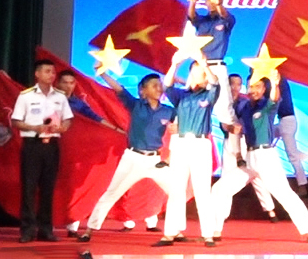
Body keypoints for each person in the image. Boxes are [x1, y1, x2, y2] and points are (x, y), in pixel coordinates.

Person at [214, 72, 308, 242]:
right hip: (249, 158)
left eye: (257, 87)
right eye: (251, 86)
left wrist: (275, 84)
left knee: (284, 193)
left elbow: (274, 99)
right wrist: (230, 127)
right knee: (220, 188)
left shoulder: (267, 106)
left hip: (266, 157)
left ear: (263, 89)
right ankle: (214, 231)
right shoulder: (245, 107)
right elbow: (228, 122)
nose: (253, 90)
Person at [77, 73, 175, 242]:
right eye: (153, 85)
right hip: (133, 158)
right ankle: (90, 230)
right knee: (112, 193)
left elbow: (180, 127)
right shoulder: (135, 105)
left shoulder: (169, 111)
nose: (158, 88)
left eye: (159, 85)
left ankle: (175, 231)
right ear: (143, 90)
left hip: (155, 160)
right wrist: (102, 73)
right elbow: (118, 89)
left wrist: (176, 129)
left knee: (176, 192)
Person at [156, 52, 221, 247]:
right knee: (176, 189)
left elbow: (215, 83)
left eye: (202, 72)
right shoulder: (181, 96)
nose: (200, 74)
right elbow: (167, 86)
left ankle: (208, 234)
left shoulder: (209, 94)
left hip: (200, 143)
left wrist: (205, 64)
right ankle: (170, 233)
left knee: (202, 190)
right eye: (196, 71)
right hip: (181, 143)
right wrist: (174, 64)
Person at [56, 70, 130, 237]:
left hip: (72, 149)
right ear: (58, 83)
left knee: (74, 185)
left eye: (71, 83)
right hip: (51, 145)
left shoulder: (78, 103)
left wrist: (116, 130)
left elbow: (95, 118)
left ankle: (72, 225)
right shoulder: (48, 100)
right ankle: (49, 222)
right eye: (65, 82)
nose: (68, 86)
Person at [11, 59, 74, 243]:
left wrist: (63, 127)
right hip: (32, 144)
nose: (51, 75)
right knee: (29, 188)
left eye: (53, 72)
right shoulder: (26, 96)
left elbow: (68, 118)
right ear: (37, 74)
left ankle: (46, 230)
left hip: (52, 145)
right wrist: (35, 127)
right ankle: (28, 230)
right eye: (47, 71)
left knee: (48, 188)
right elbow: (16, 121)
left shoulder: (60, 96)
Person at [209, 73, 277, 229]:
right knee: (227, 176)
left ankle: (270, 209)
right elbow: (224, 123)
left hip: (244, 141)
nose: (235, 87)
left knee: (256, 176)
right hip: (229, 141)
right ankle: (223, 214)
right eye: (232, 84)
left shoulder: (245, 102)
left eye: (238, 84)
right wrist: (229, 127)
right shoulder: (223, 102)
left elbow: (244, 122)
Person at [188, 0, 236, 140]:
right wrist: (193, 1)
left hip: (217, 66)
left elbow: (225, 15)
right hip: (199, 67)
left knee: (224, 106)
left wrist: (218, 4)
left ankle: (235, 143)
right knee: (190, 101)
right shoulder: (202, 21)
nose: (211, 2)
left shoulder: (227, 20)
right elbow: (191, 16)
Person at [275, 74, 308, 197]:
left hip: (287, 121)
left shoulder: (278, 81)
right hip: (284, 121)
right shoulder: (278, 82)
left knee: (292, 155)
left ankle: (302, 185)